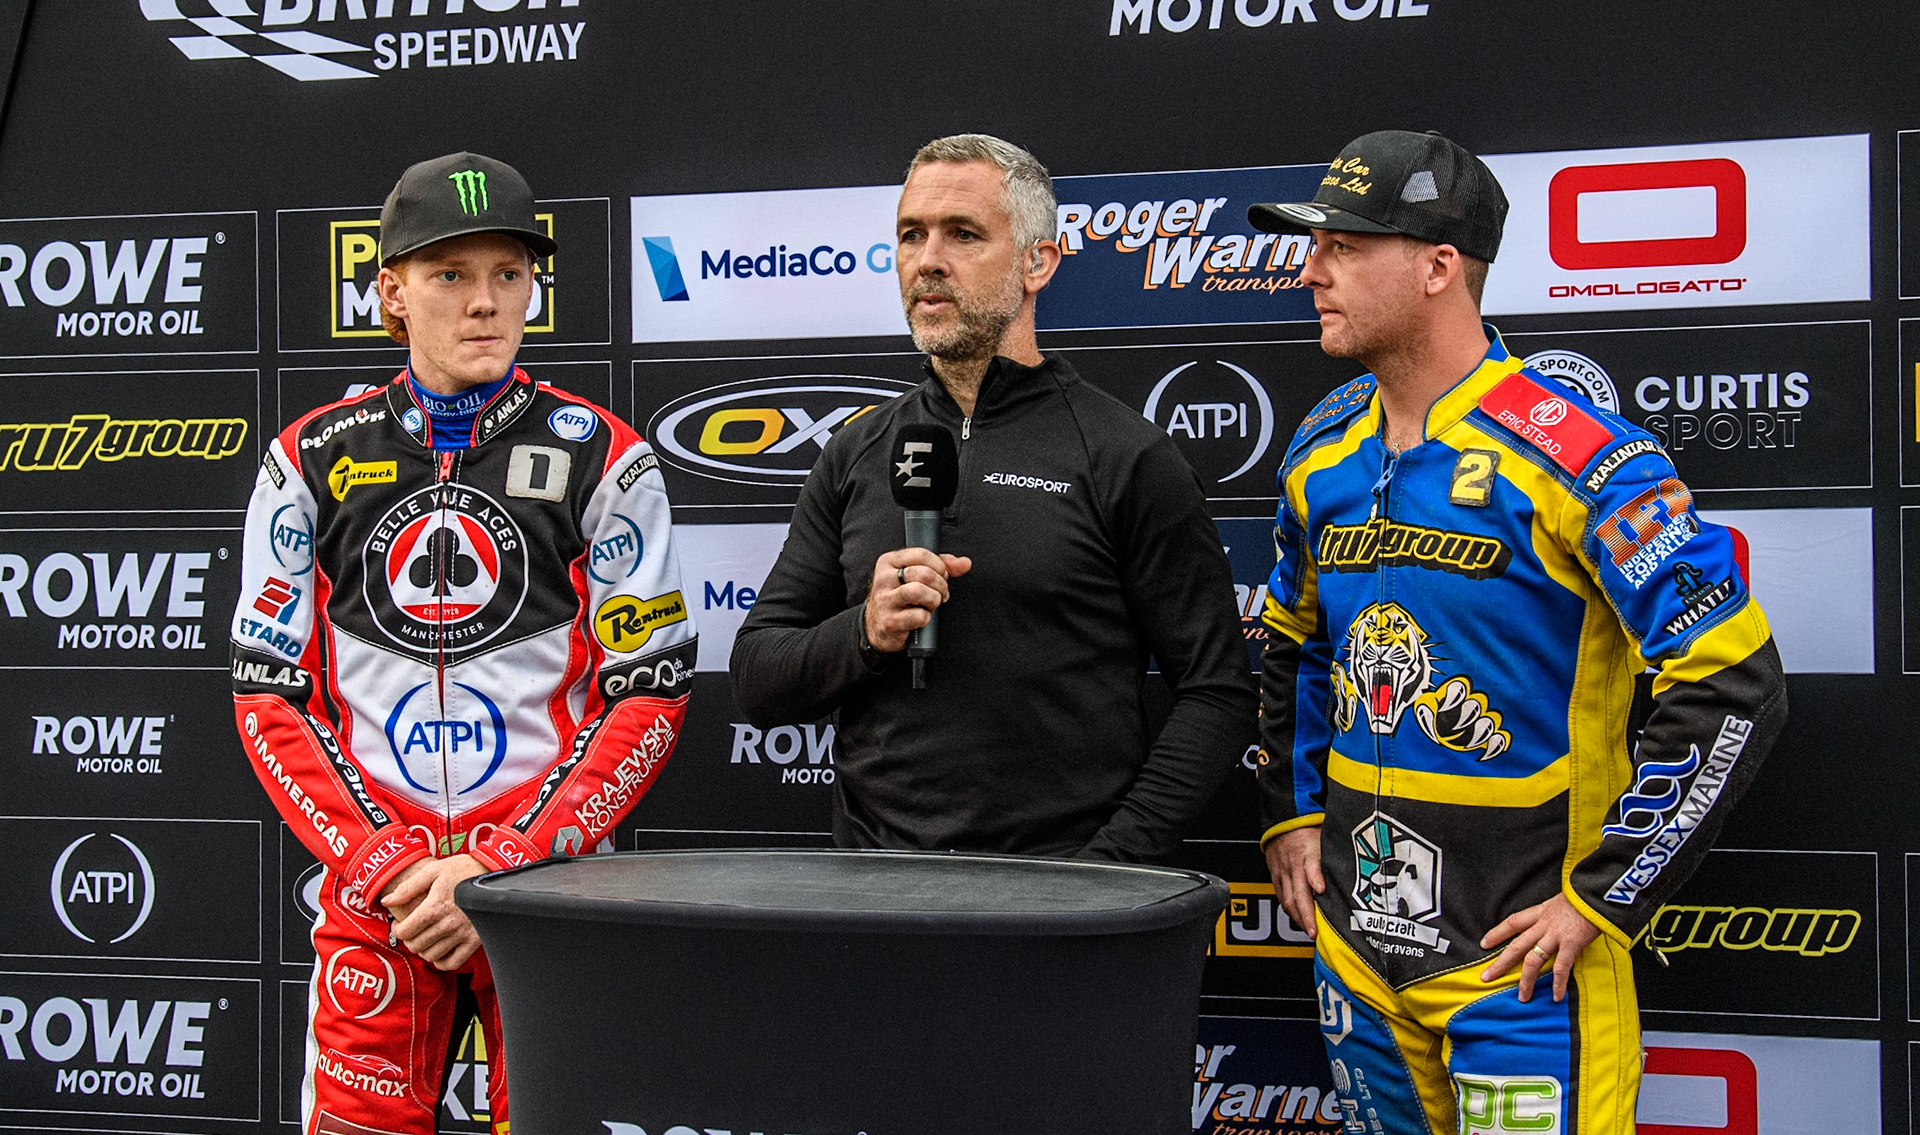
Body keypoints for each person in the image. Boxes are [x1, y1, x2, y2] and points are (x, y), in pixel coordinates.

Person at [1250, 131, 1785, 1134]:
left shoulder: (1584, 457)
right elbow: (1292, 640)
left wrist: (1602, 894)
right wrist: (1289, 809)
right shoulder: (1323, 446)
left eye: (1345, 245)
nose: (1310, 267)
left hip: (1525, 961)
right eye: (1313, 243)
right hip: (1362, 946)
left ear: (1438, 266)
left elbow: (1733, 681)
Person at [231, 151, 694, 1135]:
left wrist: (511, 861)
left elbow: (647, 693)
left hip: (546, 893)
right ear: (390, 292)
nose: (485, 302)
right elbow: (270, 693)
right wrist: (389, 862)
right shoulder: (312, 457)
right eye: (450, 275)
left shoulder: (604, 456)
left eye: (508, 274)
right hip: (380, 894)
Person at [729, 133, 1253, 861]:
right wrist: (866, 633)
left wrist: (1106, 874)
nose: (927, 260)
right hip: (873, 901)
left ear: (1038, 262)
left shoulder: (1124, 454)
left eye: (963, 234)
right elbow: (759, 674)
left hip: (1059, 913)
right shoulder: (856, 450)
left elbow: (1218, 693)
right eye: (911, 235)